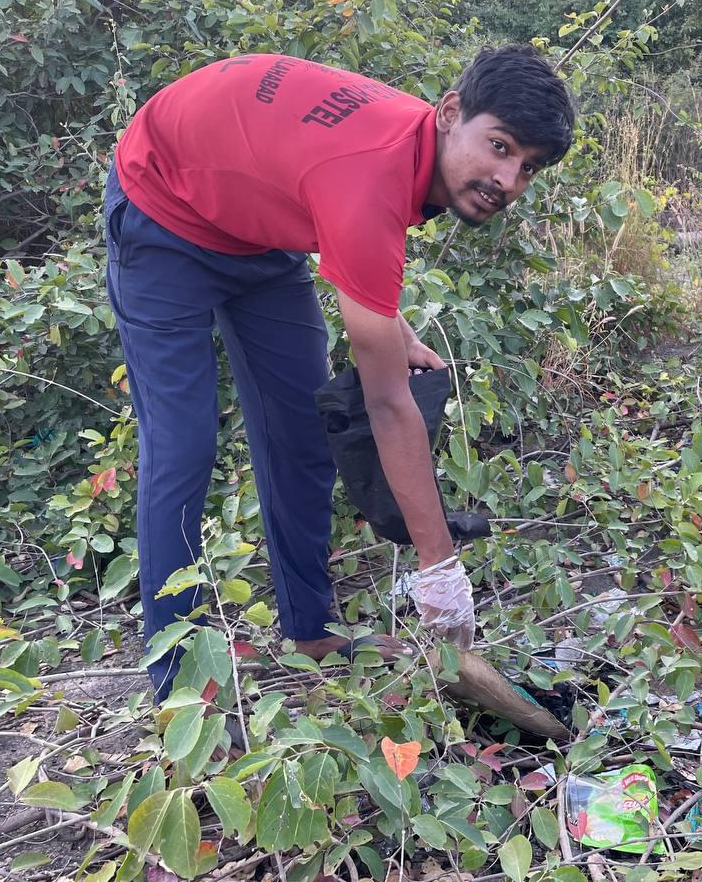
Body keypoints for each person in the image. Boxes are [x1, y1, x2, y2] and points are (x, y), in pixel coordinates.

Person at [102, 45, 575, 700]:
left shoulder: (410, 148)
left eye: (528, 168)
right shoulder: (370, 177)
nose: (509, 180)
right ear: (450, 113)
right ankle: (176, 690)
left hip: (261, 231)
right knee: (182, 450)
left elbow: (338, 204)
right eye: (499, 147)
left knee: (302, 434)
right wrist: (439, 569)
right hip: (164, 206)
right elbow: (386, 404)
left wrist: (388, 319)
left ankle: (312, 629)